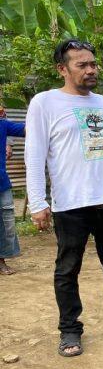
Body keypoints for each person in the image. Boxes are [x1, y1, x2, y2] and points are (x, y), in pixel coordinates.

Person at [24, 39, 103, 358]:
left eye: (93, 64)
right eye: (82, 65)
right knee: (68, 269)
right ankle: (70, 329)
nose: (91, 69)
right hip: (71, 204)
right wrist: (38, 202)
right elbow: (34, 154)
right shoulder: (45, 103)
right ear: (62, 69)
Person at [0, 106, 25, 275]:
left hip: (2, 182)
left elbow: (28, 129)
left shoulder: (2, 124)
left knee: (6, 223)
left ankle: (1, 260)